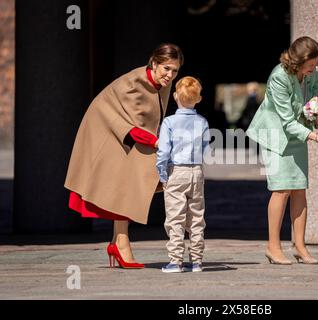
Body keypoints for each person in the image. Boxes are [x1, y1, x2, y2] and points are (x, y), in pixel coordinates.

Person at [64, 43, 184, 269]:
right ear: (154, 63)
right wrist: (160, 143)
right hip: (105, 127)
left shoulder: (161, 83)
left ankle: (118, 242)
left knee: (125, 182)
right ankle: (121, 243)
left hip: (131, 132)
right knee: (130, 178)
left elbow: (150, 121)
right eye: (166, 68)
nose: (170, 75)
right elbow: (132, 127)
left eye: (175, 70)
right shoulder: (134, 83)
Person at [246, 36, 318, 265]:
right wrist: (317, 137)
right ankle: (273, 247)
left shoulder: (313, 73)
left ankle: (300, 246)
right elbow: (286, 121)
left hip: (299, 132)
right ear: (297, 61)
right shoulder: (279, 76)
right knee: (282, 189)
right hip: (276, 134)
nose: (314, 69)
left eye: (316, 65)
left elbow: (312, 101)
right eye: (311, 65)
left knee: (299, 188)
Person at [156, 76, 210, 273]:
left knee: (175, 218)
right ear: (199, 99)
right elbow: (205, 149)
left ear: (175, 96)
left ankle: (175, 261)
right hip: (196, 172)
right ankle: (197, 261)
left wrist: (162, 174)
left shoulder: (169, 122)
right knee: (196, 218)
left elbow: (163, 151)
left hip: (176, 172)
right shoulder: (202, 122)